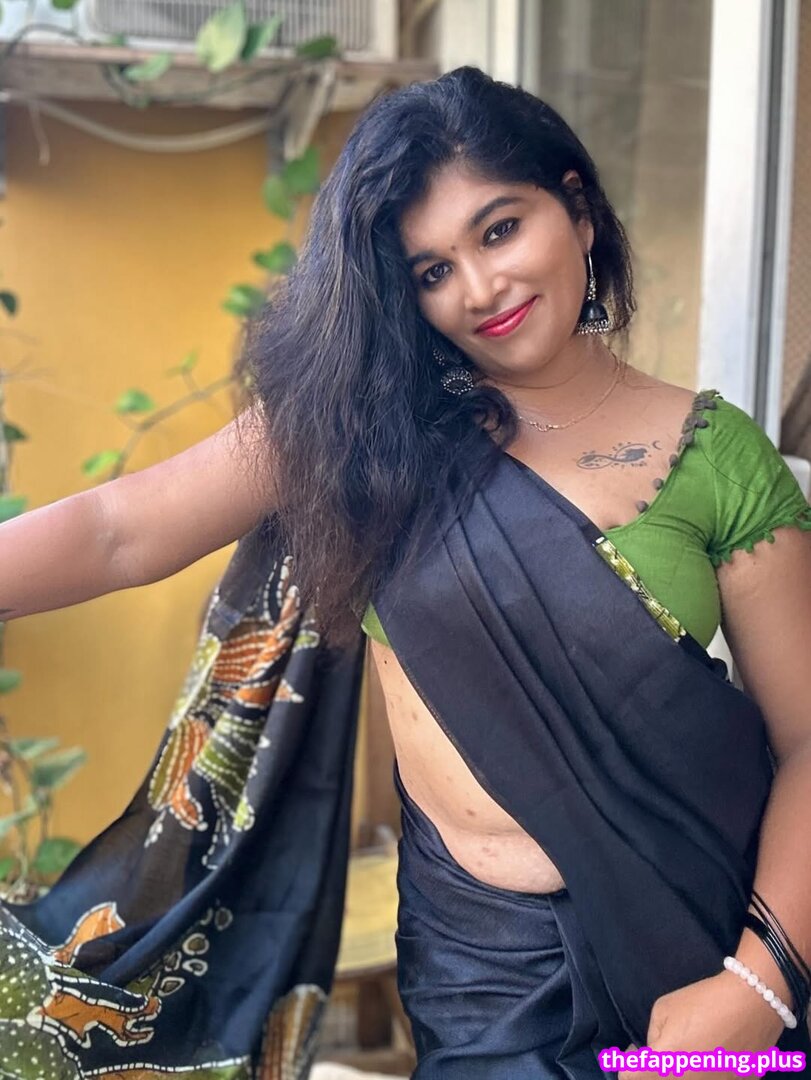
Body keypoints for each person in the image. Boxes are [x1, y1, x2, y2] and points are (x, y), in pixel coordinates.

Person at [1, 65, 811, 1079]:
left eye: (499, 229)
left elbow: (804, 741)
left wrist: (758, 983)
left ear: (575, 209)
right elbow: (118, 530)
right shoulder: (366, 437)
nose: (479, 289)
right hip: (481, 974)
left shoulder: (713, 456)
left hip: (704, 940)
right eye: (431, 271)